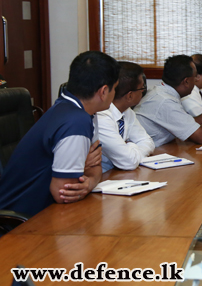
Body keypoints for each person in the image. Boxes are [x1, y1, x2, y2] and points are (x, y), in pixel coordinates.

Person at [0, 51, 119, 216]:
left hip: (47, 210)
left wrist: (89, 179)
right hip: (23, 222)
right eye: (115, 88)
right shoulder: (75, 121)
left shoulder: (82, 111)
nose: (114, 95)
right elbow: (64, 194)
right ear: (104, 91)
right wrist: (83, 168)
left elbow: (95, 166)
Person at [135, 55, 202, 147]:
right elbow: (200, 136)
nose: (196, 80)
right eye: (194, 77)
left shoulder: (163, 92)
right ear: (186, 81)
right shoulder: (165, 101)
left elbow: (189, 124)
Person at [97, 61, 155, 173]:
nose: (143, 91)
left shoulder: (126, 111)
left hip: (118, 174)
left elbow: (148, 141)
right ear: (130, 95)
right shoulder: (101, 117)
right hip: (102, 177)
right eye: (141, 88)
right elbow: (128, 162)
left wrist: (130, 148)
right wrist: (132, 148)